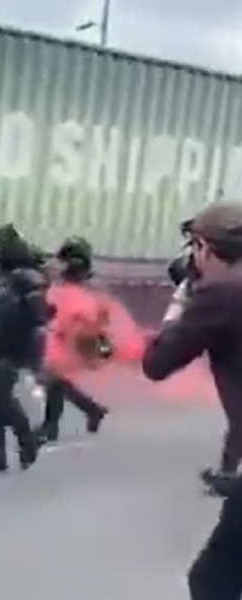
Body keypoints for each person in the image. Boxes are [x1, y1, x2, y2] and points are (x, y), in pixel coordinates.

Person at [138, 202, 242, 600]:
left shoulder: (222, 295)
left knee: (211, 580)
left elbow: (157, 362)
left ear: (204, 248)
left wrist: (183, 296)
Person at [0, 224, 44, 471]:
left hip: (13, 346)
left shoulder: (29, 279)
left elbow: (39, 322)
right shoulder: (0, 278)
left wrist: (35, 361)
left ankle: (26, 437)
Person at [36, 237, 109, 444]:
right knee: (56, 380)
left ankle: (52, 426)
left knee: (54, 377)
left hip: (75, 336)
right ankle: (93, 410)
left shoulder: (82, 285)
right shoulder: (66, 280)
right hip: (63, 333)